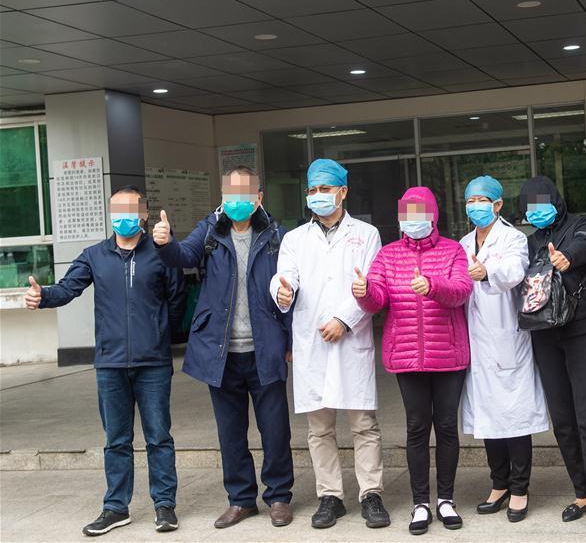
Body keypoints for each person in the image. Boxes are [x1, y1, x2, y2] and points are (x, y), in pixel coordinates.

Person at [25, 185, 185, 537]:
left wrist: (162, 336)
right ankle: (116, 507)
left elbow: (177, 299)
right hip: (110, 363)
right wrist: (43, 296)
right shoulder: (95, 255)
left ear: (144, 213)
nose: (123, 217)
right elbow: (68, 288)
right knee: (116, 439)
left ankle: (165, 505)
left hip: (153, 362)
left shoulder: (160, 254)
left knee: (159, 436)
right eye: (117, 211)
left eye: (130, 210)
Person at [153, 166, 294, 530]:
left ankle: (278, 496)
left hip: (266, 347)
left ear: (259, 198)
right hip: (222, 351)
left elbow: (295, 289)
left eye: (245, 195)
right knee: (230, 432)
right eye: (230, 195)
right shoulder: (210, 231)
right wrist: (165, 243)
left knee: (275, 429)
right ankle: (241, 499)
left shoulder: (277, 235)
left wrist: (290, 339)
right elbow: (182, 257)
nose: (237, 202)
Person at [270, 159, 390, 530]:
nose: (318, 196)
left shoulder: (366, 234)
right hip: (312, 343)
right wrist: (282, 293)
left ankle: (371, 494)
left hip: (350, 339)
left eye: (325, 189)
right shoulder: (293, 239)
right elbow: (283, 279)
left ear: (343, 191)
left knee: (363, 424)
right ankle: (330, 496)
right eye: (312, 190)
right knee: (319, 428)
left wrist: (344, 320)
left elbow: (370, 284)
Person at [353, 186, 473, 536]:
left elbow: (462, 289)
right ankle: (421, 502)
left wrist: (433, 285)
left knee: (447, 426)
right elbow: (377, 299)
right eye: (407, 214)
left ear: (433, 214)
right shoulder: (388, 256)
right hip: (407, 356)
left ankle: (446, 500)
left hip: (448, 355)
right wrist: (363, 293)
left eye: (419, 213)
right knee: (417, 427)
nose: (413, 220)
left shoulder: (453, 251)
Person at [517, 176, 586, 537]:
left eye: (541, 204)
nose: (537, 212)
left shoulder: (583, 225)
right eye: (529, 207)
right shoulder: (530, 242)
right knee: (562, 418)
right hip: (546, 333)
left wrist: (566, 258)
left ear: (557, 200)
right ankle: (582, 492)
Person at [458, 176, 549, 523]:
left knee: (514, 416)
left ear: (497, 205)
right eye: (470, 200)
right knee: (488, 416)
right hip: (477, 343)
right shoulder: (464, 241)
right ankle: (499, 483)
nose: (475, 206)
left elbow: (513, 272)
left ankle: (520, 488)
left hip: (507, 337)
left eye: (483, 200)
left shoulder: (513, 238)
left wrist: (486, 272)